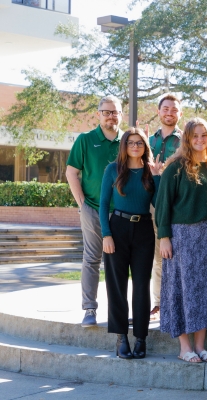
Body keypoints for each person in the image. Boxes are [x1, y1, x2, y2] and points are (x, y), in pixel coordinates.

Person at [155, 118, 207, 363]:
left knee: (204, 292)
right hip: (183, 237)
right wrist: (164, 237)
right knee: (182, 291)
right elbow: (163, 205)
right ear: (187, 139)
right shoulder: (176, 167)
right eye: (195, 136)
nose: (200, 140)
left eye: (204, 135)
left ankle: (201, 346)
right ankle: (185, 348)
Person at [99, 127, 162, 359]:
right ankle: (121, 337)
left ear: (145, 146)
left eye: (139, 143)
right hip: (117, 229)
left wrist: (156, 177)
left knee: (141, 286)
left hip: (144, 229)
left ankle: (141, 338)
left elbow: (158, 203)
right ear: (124, 146)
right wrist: (106, 234)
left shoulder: (150, 171)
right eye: (130, 143)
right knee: (117, 286)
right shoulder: (113, 170)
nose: (135, 146)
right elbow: (104, 204)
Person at [66, 95, 123, 327]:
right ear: (98, 114)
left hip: (121, 212)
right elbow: (72, 172)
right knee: (91, 259)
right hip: (92, 209)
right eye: (106, 112)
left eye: (115, 112)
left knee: (118, 263)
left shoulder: (128, 141)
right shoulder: (86, 140)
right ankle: (89, 309)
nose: (111, 116)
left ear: (121, 114)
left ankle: (118, 312)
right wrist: (82, 204)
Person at [148, 93, 183, 320]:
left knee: (176, 256)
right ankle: (159, 303)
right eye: (166, 108)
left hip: (177, 206)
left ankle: (176, 302)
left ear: (180, 114)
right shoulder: (148, 141)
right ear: (159, 111)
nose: (169, 112)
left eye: (174, 109)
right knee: (157, 257)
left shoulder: (185, 141)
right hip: (150, 206)